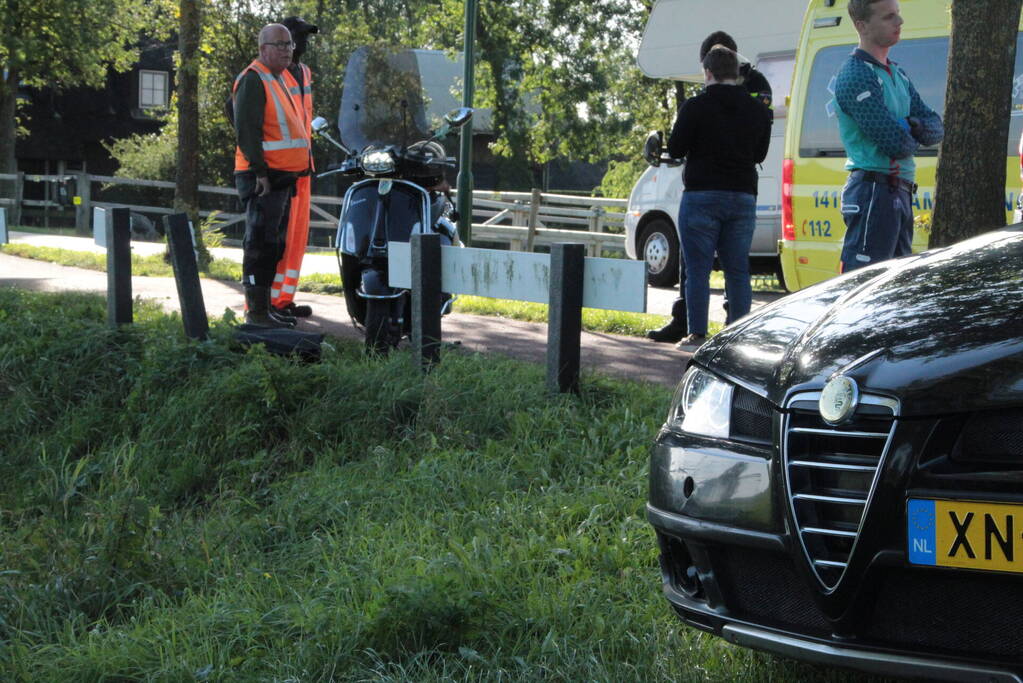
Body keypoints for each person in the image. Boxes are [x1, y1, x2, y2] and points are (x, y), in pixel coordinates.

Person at [646, 30, 773, 344]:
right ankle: (737, 337)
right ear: (737, 71)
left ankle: (697, 333)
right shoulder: (758, 109)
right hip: (743, 195)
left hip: (702, 196)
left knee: (698, 271)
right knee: (738, 271)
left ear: (707, 71)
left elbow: (675, 149)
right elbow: (760, 153)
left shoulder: (695, 107)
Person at [834, 0, 943, 273]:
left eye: (898, 15)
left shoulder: (897, 73)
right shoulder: (856, 74)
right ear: (862, 25)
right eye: (889, 17)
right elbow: (896, 143)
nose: (899, 22)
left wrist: (908, 123)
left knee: (895, 287)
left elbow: (936, 128)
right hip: (873, 190)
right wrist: (913, 127)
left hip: (899, 190)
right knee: (864, 283)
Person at [232, 23, 312, 328]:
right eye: (279, 45)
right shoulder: (254, 79)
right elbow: (247, 132)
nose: (286, 50)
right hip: (264, 178)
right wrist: (260, 173)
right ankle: (257, 313)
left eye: (289, 45)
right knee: (260, 244)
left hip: (282, 177)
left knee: (273, 245)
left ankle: (265, 309)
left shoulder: (277, 79)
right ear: (262, 48)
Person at [269, 16, 318, 320]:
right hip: (279, 171)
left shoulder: (305, 73)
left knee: (297, 238)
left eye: (304, 38)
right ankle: (267, 305)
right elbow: (234, 109)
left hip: (302, 169)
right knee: (276, 239)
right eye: (296, 38)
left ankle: (284, 300)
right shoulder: (269, 74)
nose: (302, 43)